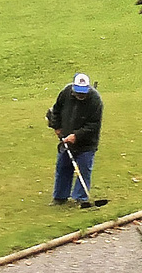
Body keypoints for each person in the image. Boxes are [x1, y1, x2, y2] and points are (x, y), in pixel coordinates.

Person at [46, 72, 103, 206]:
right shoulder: (65, 92)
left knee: (83, 169)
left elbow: (94, 125)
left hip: (87, 142)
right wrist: (56, 127)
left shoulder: (95, 100)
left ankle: (81, 198)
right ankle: (60, 197)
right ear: (73, 88)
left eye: (83, 93)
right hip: (66, 138)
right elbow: (56, 110)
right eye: (78, 92)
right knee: (63, 167)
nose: (80, 95)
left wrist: (76, 136)